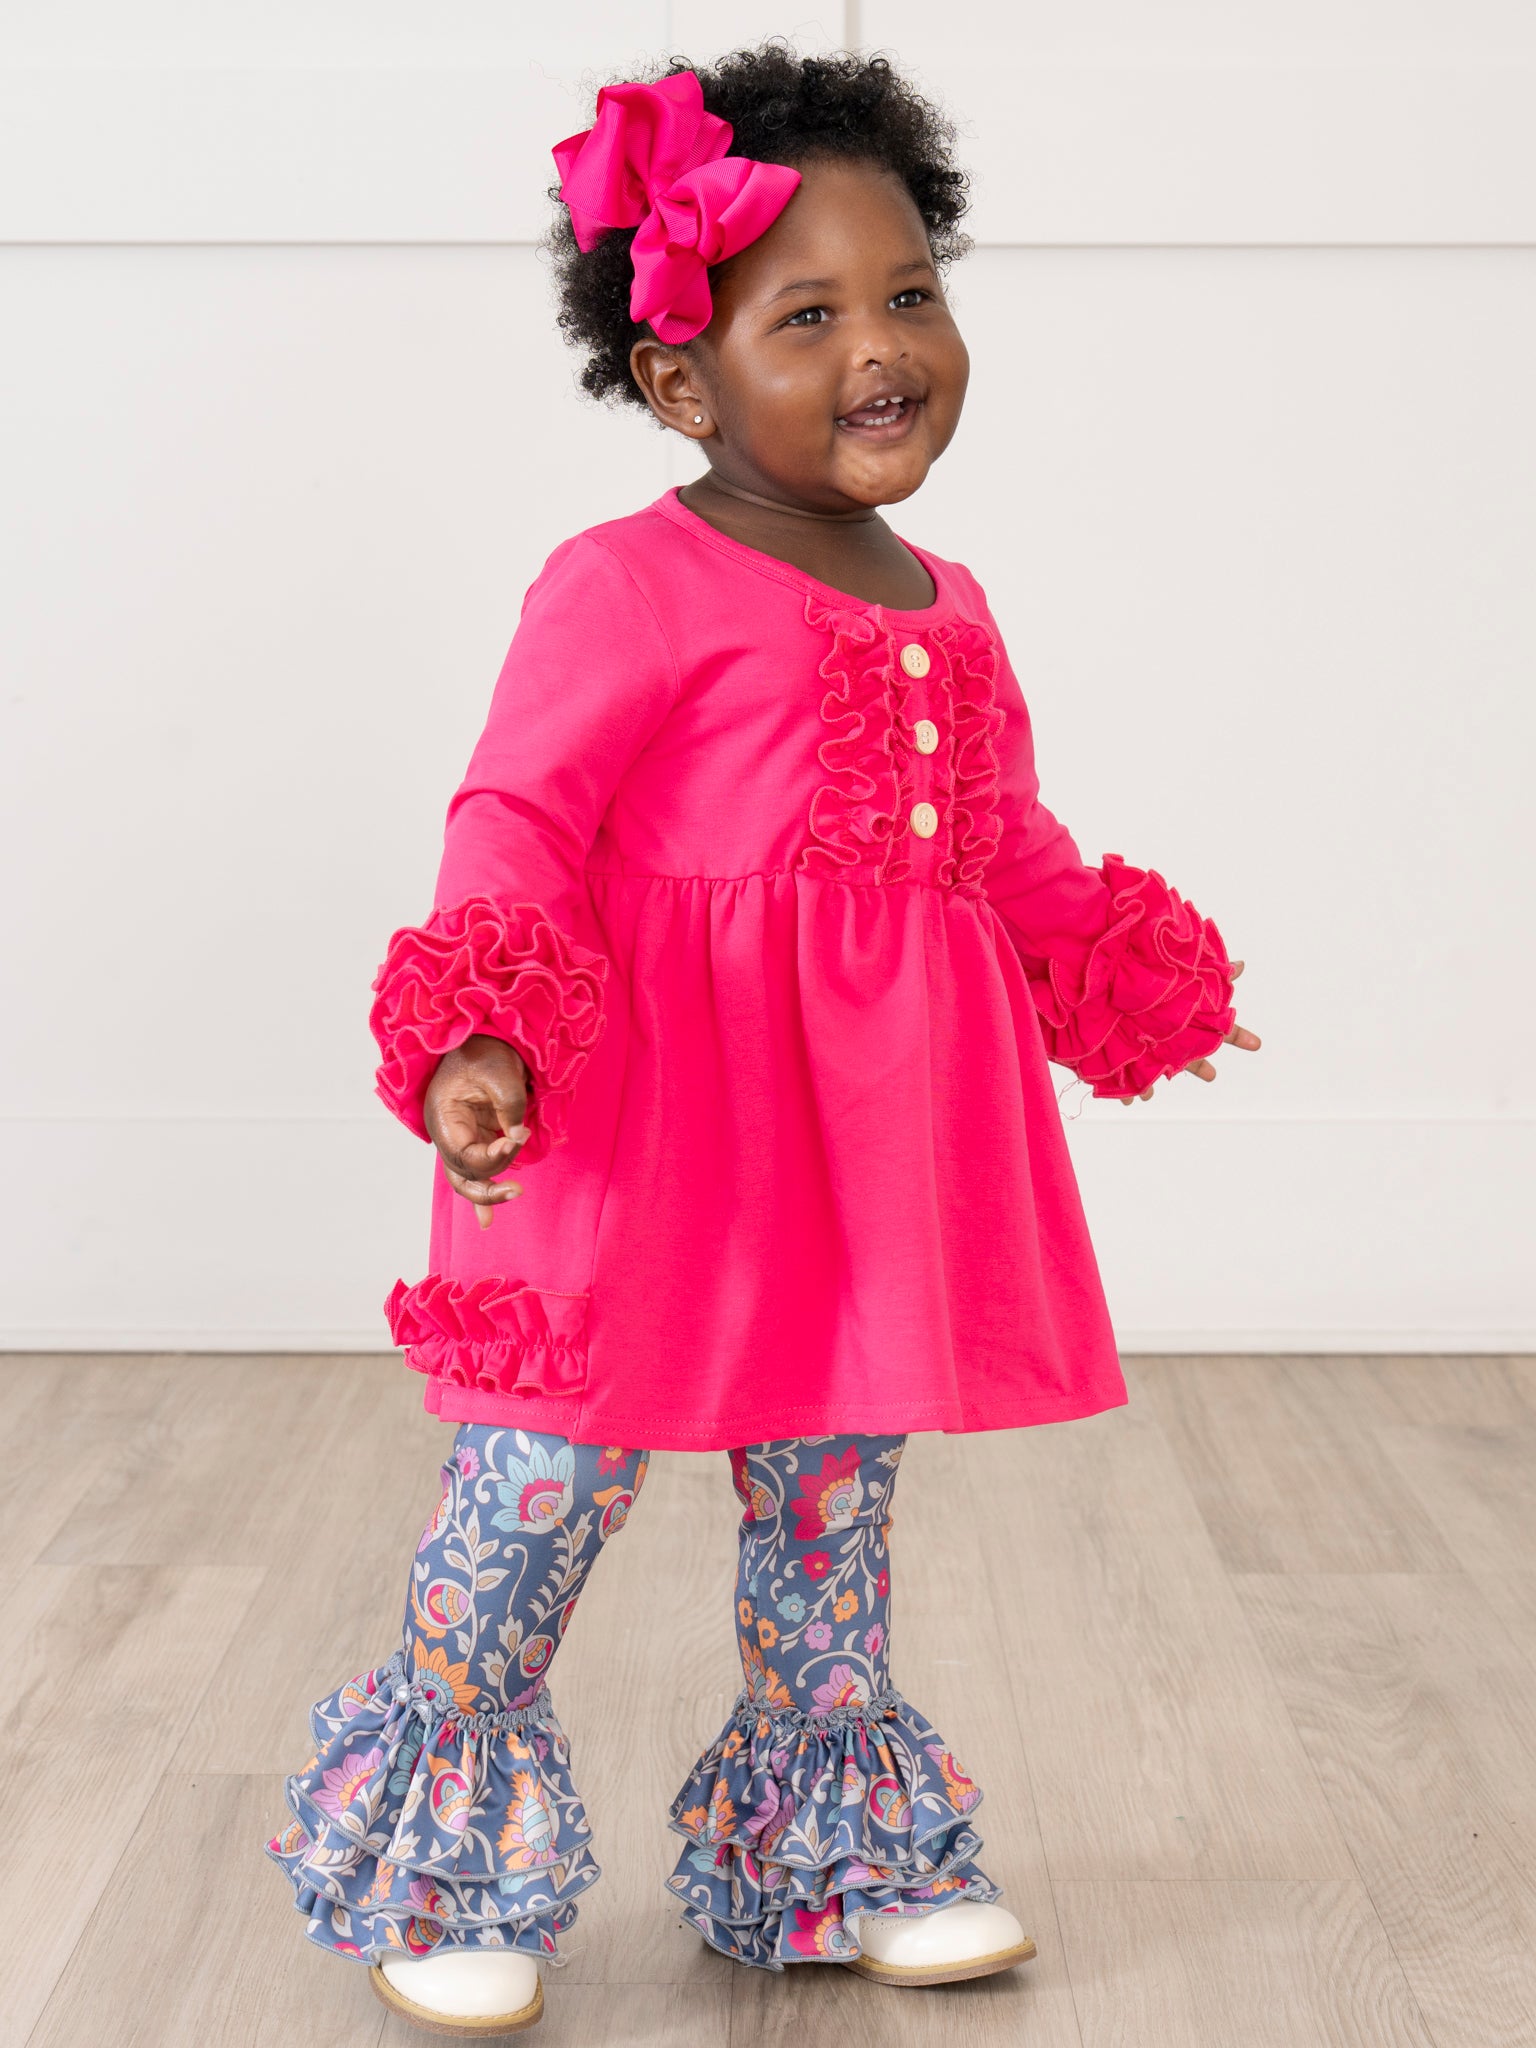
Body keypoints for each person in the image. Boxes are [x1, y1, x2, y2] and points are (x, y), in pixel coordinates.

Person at [265, 43, 1260, 2036]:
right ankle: (444, 1851)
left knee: (831, 1498)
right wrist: (482, 1027)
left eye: (910, 295)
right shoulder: (626, 584)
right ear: (682, 382)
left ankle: (835, 1851)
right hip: (638, 1120)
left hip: (859, 1144)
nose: (880, 346)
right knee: (543, 1488)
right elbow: (516, 812)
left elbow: (996, 843)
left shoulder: (952, 604)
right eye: (806, 317)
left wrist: (1117, 965)